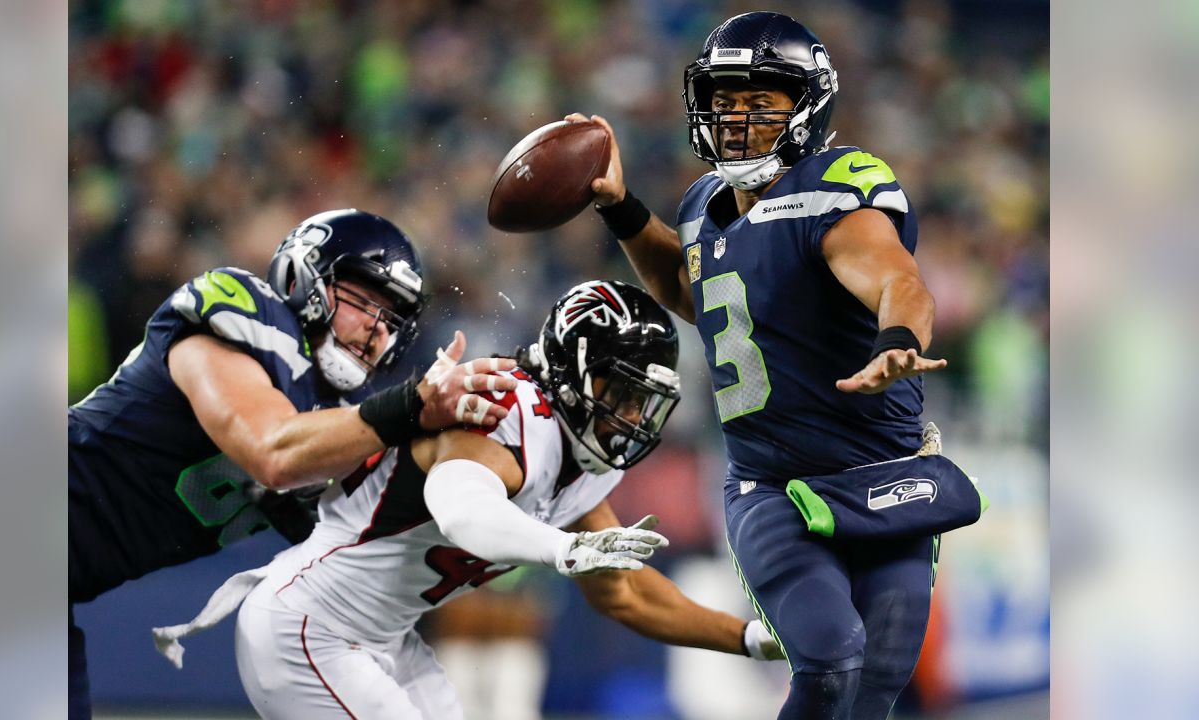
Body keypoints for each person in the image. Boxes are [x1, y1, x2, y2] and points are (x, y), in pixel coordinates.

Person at [152, 280, 785, 720]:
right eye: (616, 392)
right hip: (309, 628)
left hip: (384, 642)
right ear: (569, 369)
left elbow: (625, 591)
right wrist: (564, 548)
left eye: (639, 402)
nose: (627, 418)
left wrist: (754, 637)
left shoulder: (582, 452)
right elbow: (462, 506)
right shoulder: (505, 406)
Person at [570, 11, 962, 720]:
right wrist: (622, 210)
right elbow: (696, 292)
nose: (737, 119)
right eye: (725, 102)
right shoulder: (701, 205)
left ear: (806, 108)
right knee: (830, 659)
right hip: (774, 488)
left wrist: (895, 338)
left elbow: (897, 278)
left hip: (886, 479)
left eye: (760, 102)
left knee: (874, 688)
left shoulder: (839, 186)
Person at [69, 209, 520, 720]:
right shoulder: (242, 315)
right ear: (302, 276)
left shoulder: (335, 422)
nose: (376, 331)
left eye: (392, 319)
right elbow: (273, 452)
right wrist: (413, 406)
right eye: (363, 300)